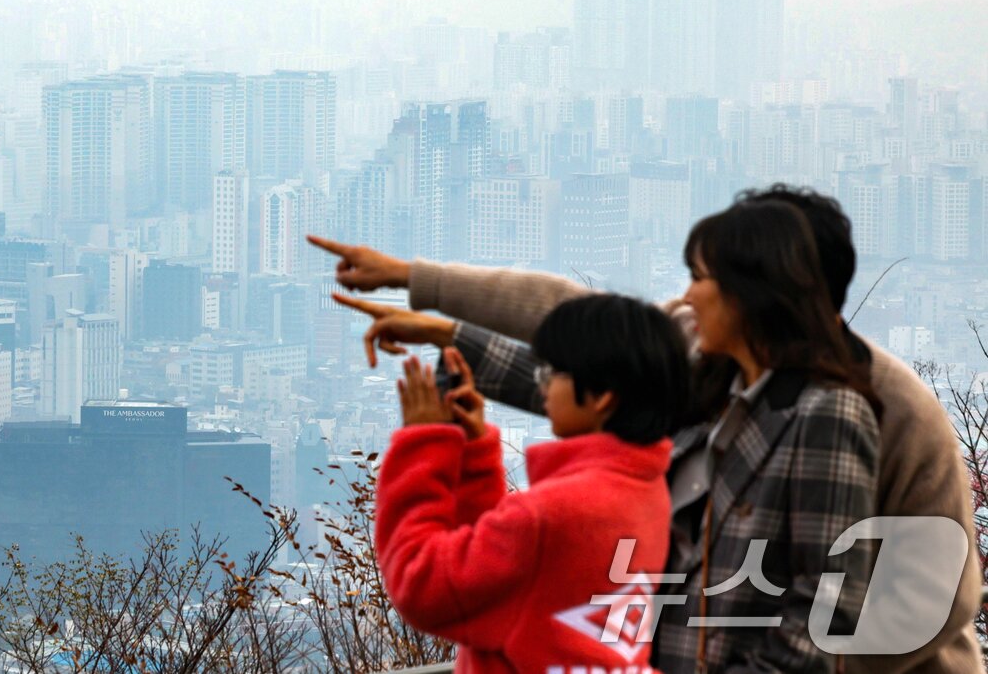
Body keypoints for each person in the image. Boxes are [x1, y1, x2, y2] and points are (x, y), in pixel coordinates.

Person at [309, 185, 983, 674]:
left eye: (701, 276)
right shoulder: (710, 364)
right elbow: (590, 339)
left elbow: (911, 601)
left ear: (766, 286)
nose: (685, 296)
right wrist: (439, 312)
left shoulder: (874, 408)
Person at [377, 294, 689, 674]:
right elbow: (506, 578)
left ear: (603, 396)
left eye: (553, 372)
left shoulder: (550, 513)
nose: (541, 385)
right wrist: (475, 459)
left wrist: (423, 443)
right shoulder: (647, 491)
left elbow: (421, 585)